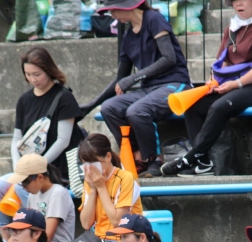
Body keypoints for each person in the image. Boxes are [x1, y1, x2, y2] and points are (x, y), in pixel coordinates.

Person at [160, 0, 252, 177]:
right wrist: (213, 82)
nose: (239, 3)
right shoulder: (231, 28)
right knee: (193, 106)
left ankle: (191, 157)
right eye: (234, 0)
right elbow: (221, 63)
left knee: (219, 107)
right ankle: (203, 163)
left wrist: (237, 83)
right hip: (231, 86)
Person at [79, 0, 191, 177]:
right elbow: (120, 79)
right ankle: (137, 156)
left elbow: (169, 58)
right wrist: (91, 105)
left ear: (127, 6)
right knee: (109, 108)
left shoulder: (154, 19)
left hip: (175, 84)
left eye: (114, 11)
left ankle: (154, 159)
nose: (113, 16)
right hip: (148, 89)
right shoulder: (128, 36)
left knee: (137, 111)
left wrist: (134, 78)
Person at [0, 46, 82, 237]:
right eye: (28, 74)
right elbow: (16, 139)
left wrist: (36, 166)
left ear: (49, 70)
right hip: (29, 169)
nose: (33, 79)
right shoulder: (24, 100)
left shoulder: (64, 97)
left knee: (21, 186)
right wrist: (19, 168)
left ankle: (37, 230)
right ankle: (7, 239)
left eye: (37, 74)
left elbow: (63, 140)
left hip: (55, 169)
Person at [53, 134, 143, 242]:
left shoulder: (125, 178)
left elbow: (118, 222)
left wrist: (101, 187)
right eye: (85, 163)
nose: (90, 168)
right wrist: (94, 189)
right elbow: (86, 223)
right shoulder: (90, 182)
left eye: (94, 162)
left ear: (108, 156)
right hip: (96, 241)